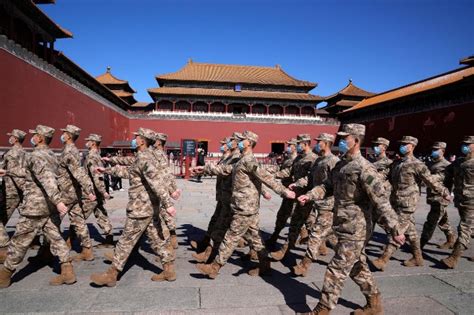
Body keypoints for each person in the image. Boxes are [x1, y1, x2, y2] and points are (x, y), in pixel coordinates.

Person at [297, 123, 405, 314]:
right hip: (342, 225)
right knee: (357, 266)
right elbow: (327, 186)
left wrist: (394, 228)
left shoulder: (364, 168)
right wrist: (311, 195)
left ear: (355, 141)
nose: (340, 141)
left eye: (344, 138)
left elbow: (381, 200)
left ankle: (322, 309)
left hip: (357, 227)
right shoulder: (340, 165)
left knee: (336, 268)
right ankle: (374, 302)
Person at [194, 131, 295, 279]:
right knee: (255, 238)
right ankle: (265, 265)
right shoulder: (242, 159)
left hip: (245, 206)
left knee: (231, 236)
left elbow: (265, 177)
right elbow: (226, 169)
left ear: (249, 143)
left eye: (243, 140)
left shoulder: (249, 161)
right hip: (245, 206)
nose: (239, 142)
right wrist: (204, 169)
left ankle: (214, 267)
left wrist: (284, 191)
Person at [90, 128, 177, 287]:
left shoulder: (144, 158)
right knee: (157, 240)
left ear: (142, 141)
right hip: (148, 207)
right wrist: (107, 169)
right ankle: (169, 270)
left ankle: (112, 274)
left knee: (125, 241)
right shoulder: (145, 156)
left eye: (136, 137)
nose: (134, 139)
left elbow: (156, 182)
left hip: (141, 207)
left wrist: (169, 204)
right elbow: (130, 172)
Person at [0, 125, 76, 287]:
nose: (32, 137)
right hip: (48, 207)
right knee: (55, 237)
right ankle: (67, 270)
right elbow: (32, 173)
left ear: (40, 138)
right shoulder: (51, 155)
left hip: (35, 206)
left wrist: (58, 201)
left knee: (19, 241)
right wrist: (8, 172)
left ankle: (5, 274)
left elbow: (46, 178)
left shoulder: (35, 156)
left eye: (35, 135)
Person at [372, 136, 451, 271]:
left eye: (405, 144)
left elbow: (430, 180)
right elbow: (384, 176)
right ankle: (418, 257)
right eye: (401, 143)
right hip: (395, 201)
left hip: (408, 203)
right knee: (411, 231)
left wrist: (444, 191)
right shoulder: (396, 164)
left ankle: (383, 259)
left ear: (412, 146)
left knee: (398, 230)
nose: (402, 146)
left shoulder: (418, 164)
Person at [292, 133, 339, 277]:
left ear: (327, 143)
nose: (317, 144)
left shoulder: (334, 161)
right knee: (331, 236)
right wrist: (299, 185)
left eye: (320, 142)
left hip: (328, 205)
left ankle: (304, 265)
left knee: (316, 234)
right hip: (316, 201)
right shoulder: (319, 160)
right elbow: (309, 178)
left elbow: (334, 185)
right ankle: (352, 257)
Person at [271, 134, 317, 261]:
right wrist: (274, 174)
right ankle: (284, 249)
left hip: (307, 196)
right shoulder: (298, 159)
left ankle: (321, 245)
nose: (297, 146)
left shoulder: (313, 159)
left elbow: (310, 177)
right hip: (295, 194)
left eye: (298, 143)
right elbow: (288, 172)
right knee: (295, 223)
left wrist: (297, 183)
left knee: (312, 224)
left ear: (306, 144)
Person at [56, 125, 96, 262]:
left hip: (66, 192)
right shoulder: (72, 150)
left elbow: (78, 172)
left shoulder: (69, 151)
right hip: (73, 191)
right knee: (79, 220)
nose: (62, 135)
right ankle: (87, 250)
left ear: (68, 136)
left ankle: (48, 251)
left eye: (64, 133)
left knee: (51, 221)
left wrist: (88, 189)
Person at [441, 136, 474, 268]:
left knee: (465, 227)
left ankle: (454, 257)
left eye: (468, 144)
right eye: (463, 144)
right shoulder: (458, 162)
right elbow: (447, 175)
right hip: (461, 200)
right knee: (471, 227)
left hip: (472, 200)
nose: (464, 146)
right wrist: (446, 191)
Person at [420, 142, 455, 250]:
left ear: (443, 151)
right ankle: (451, 239)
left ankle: (420, 244)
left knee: (432, 220)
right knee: (443, 219)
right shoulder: (431, 163)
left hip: (441, 197)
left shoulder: (447, 165)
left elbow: (438, 178)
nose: (433, 151)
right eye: (433, 149)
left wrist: (425, 177)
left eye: (436, 149)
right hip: (433, 197)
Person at [82, 133, 114, 247]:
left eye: (89, 141)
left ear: (93, 143)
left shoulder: (91, 156)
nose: (87, 142)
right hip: (97, 191)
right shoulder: (98, 155)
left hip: (92, 192)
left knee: (79, 216)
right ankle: (109, 236)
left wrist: (102, 191)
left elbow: (96, 176)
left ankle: (75, 242)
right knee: (100, 213)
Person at [265, 137, 298, 248]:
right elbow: (280, 169)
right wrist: (270, 170)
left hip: (293, 191)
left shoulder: (296, 159)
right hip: (286, 191)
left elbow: (286, 172)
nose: (288, 147)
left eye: (290, 145)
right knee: (282, 216)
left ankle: (292, 242)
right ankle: (274, 237)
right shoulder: (288, 158)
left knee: (297, 218)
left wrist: (273, 175)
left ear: (295, 146)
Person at [0, 129, 27, 259]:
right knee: (28, 220)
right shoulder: (25, 153)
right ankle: (34, 242)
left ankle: (4, 248)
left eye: (11, 136)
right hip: (21, 191)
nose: (9, 138)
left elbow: (12, 173)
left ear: (15, 139)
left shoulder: (11, 154)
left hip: (11, 192)